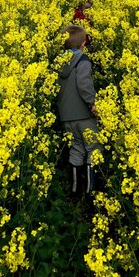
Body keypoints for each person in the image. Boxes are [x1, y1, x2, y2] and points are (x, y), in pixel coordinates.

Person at [57, 24, 100, 197]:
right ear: (83, 43)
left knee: (76, 148)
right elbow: (84, 84)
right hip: (83, 114)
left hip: (66, 115)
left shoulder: (59, 61)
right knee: (93, 148)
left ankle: (74, 191)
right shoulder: (82, 60)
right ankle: (91, 191)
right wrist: (92, 103)